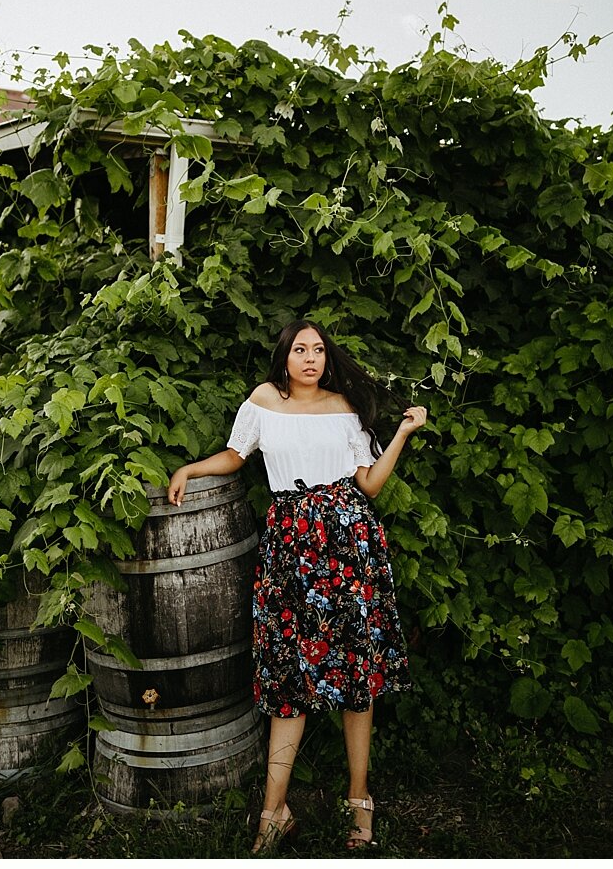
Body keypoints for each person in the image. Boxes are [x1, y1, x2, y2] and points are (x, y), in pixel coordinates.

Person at [167, 319, 426, 853]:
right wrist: (191, 469)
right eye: (300, 349)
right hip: (290, 551)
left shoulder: (346, 408)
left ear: (328, 359)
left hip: (349, 547)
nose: (310, 358)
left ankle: (359, 799)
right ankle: (273, 810)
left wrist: (400, 434)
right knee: (288, 677)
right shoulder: (263, 401)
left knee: (356, 674)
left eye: (319, 350)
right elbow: (237, 456)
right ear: (285, 356)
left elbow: (369, 483)